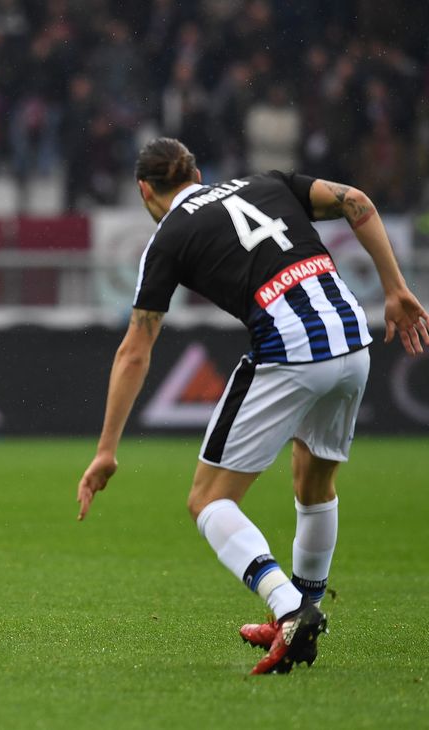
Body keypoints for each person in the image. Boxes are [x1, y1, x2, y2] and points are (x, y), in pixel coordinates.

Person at [76, 138, 429, 675]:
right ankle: (303, 610)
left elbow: (135, 351)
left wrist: (106, 450)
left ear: (145, 190)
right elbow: (357, 200)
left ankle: (289, 609)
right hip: (353, 338)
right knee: (315, 486)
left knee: (208, 502)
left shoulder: (168, 235)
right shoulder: (268, 182)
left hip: (290, 347)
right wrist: (396, 288)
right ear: (198, 171)